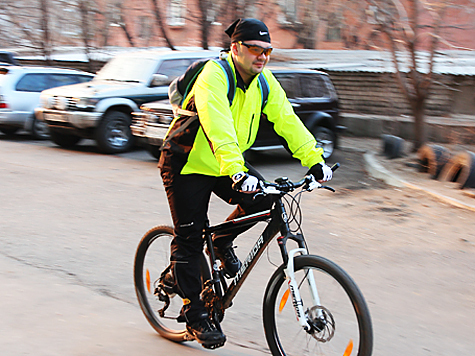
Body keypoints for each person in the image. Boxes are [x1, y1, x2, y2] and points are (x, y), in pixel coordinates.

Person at [158, 18, 333, 348]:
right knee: (191, 236)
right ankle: (195, 314)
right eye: (255, 49)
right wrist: (238, 171)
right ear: (236, 48)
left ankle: (222, 242)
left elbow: (287, 120)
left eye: (267, 51)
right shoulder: (215, 75)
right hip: (187, 161)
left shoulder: (264, 82)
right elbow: (218, 125)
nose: (263, 57)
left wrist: (315, 159)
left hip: (225, 163)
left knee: (267, 198)